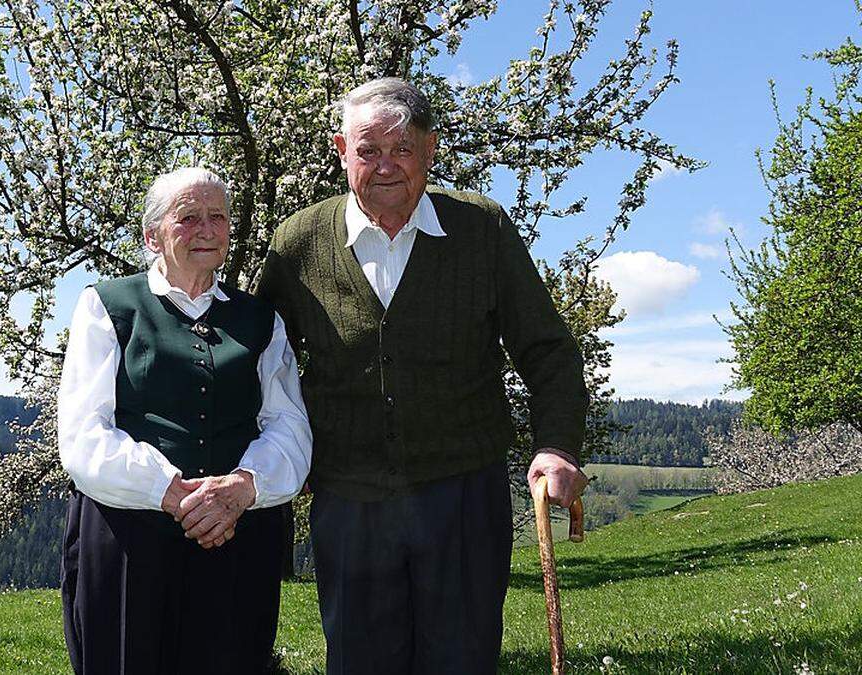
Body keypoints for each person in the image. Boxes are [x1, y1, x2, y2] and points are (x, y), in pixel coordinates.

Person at [257, 77, 589, 674]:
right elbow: (263, 365)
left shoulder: (480, 229)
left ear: (430, 150)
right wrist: (278, 461)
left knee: (460, 659)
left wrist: (557, 445)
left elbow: (547, 349)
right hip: (349, 501)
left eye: (401, 149)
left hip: (461, 493)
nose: (385, 166)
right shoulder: (298, 243)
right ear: (341, 150)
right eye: (367, 151)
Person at [57, 167, 312, 675]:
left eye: (217, 217)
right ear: (153, 235)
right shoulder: (108, 306)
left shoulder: (261, 320)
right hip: (128, 536)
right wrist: (171, 492)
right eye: (188, 217)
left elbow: (290, 427)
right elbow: (84, 433)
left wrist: (238, 490)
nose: (207, 230)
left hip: (234, 534)